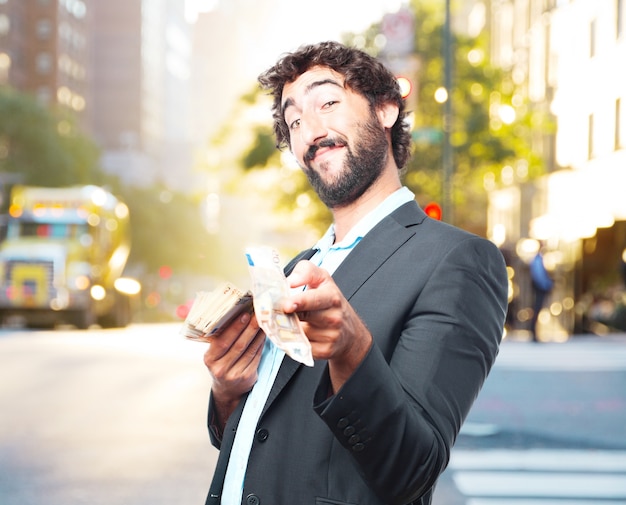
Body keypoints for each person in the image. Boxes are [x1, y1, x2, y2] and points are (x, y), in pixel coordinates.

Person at [202, 41, 509, 505]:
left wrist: (352, 350)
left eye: (327, 102)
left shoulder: (460, 261)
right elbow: (264, 439)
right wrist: (227, 393)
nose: (311, 130)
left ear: (385, 110)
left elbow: (413, 469)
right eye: (295, 121)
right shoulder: (295, 269)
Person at [529, 246, 553, 342]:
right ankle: (533, 332)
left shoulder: (538, 260)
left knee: (537, 310)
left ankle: (534, 332)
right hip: (540, 288)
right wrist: (547, 285)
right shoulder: (538, 260)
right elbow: (539, 276)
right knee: (536, 310)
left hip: (540, 287)